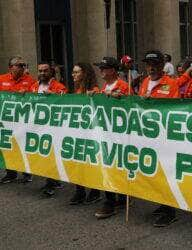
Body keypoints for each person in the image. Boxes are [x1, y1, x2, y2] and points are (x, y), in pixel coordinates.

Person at [138, 50, 180, 227]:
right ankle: (163, 204)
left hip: (164, 137)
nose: (151, 67)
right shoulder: (145, 82)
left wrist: (153, 102)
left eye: (155, 64)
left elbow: (175, 109)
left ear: (162, 66)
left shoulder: (171, 84)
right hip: (147, 137)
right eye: (148, 64)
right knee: (154, 172)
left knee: (166, 173)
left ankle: (170, 211)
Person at [93, 57, 131, 219]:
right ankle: (113, 198)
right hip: (106, 133)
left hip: (119, 134)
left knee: (116, 164)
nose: (101, 70)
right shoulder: (105, 87)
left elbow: (129, 105)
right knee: (108, 164)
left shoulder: (123, 86)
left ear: (113, 70)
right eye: (100, 67)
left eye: (104, 67)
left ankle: (116, 199)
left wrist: (117, 96)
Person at [29, 62, 67, 197]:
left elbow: (67, 103)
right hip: (38, 127)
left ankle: (51, 184)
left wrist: (53, 95)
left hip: (53, 128)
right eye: (40, 71)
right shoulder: (34, 86)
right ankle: (53, 180)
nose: (42, 73)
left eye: (45, 71)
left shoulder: (59, 86)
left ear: (51, 72)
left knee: (51, 155)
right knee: (43, 154)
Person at [69, 62, 101, 205]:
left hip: (90, 134)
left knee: (91, 162)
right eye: (73, 72)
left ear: (85, 74)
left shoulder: (94, 90)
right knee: (77, 163)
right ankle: (79, 190)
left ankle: (95, 191)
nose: (73, 75)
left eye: (77, 72)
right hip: (78, 133)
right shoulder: (76, 91)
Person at [0, 56, 35, 184]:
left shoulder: (30, 81)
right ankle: (11, 173)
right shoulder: (1, 79)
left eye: (23, 65)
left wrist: (28, 94)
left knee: (23, 146)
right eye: (19, 65)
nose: (22, 67)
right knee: (8, 146)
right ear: (11, 67)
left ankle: (27, 172)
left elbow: (36, 97)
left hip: (22, 121)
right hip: (7, 121)